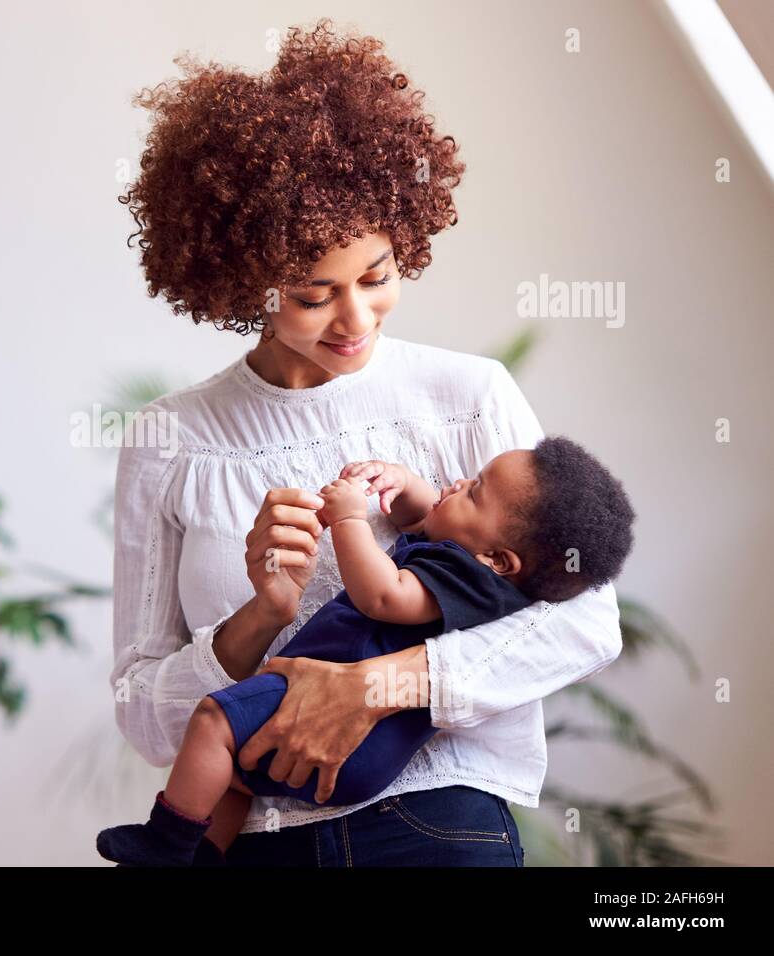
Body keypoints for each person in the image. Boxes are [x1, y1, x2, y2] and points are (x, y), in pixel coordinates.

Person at [108, 20, 625, 867]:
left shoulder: (469, 397)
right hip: (255, 842)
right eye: (313, 295)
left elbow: (586, 624)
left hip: (435, 825)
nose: (355, 320)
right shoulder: (171, 440)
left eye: (378, 277)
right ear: (244, 280)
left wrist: (374, 688)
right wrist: (260, 617)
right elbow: (141, 713)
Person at [99, 439, 634, 865]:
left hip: (377, 769)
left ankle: (166, 843)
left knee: (215, 719)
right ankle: (208, 853)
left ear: (498, 559)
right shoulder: (478, 567)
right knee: (236, 773)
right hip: (361, 763)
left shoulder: (465, 578)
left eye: (474, 492)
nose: (458, 482)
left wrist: (352, 518)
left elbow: (383, 594)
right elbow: (429, 515)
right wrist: (403, 484)